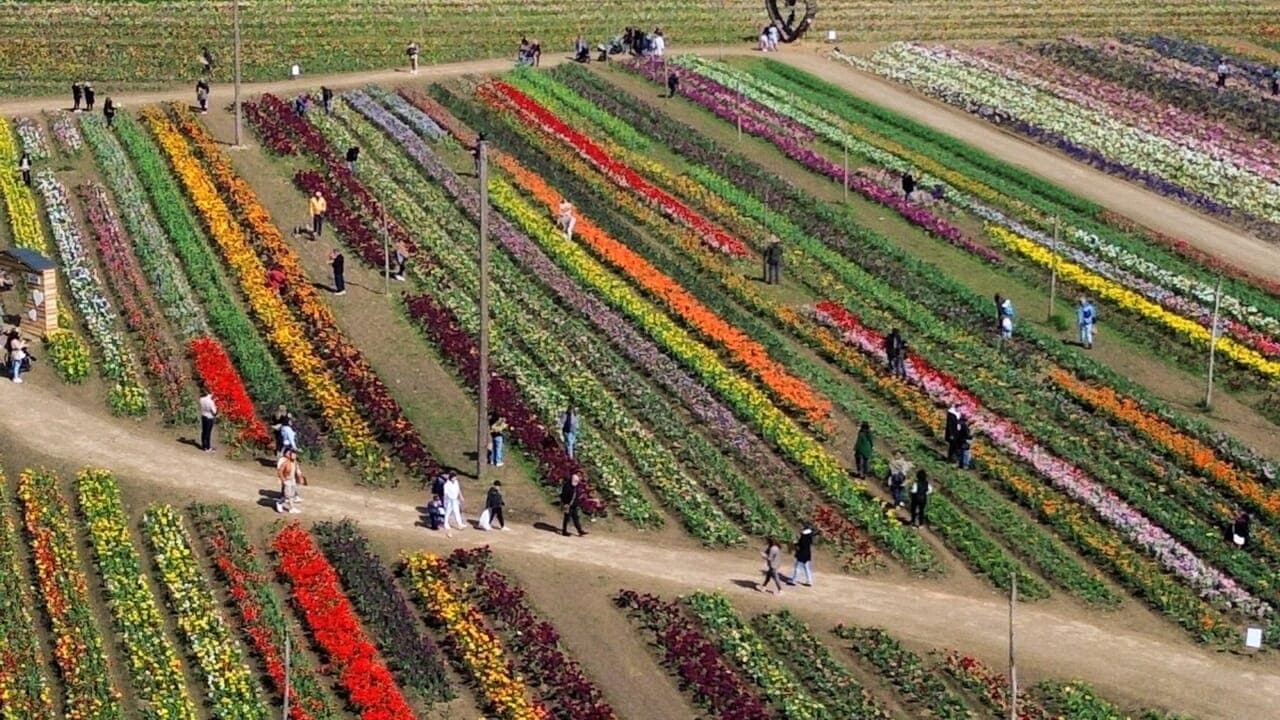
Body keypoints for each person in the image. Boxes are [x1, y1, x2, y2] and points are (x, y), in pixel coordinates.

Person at [275, 448, 307, 514]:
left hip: (293, 480)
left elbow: (296, 471)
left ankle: (292, 508)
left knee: (291, 495)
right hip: (287, 480)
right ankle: (279, 503)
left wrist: (299, 478)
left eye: (295, 454)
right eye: (293, 454)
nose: (294, 456)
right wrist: (283, 479)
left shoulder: (294, 462)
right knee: (287, 495)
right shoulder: (286, 462)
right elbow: (280, 471)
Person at [198, 388, 217, 452]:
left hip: (203, 416)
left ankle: (204, 446)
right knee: (208, 433)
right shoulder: (211, 402)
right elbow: (214, 412)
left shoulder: (201, 399)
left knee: (203, 432)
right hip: (209, 418)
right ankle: (208, 447)